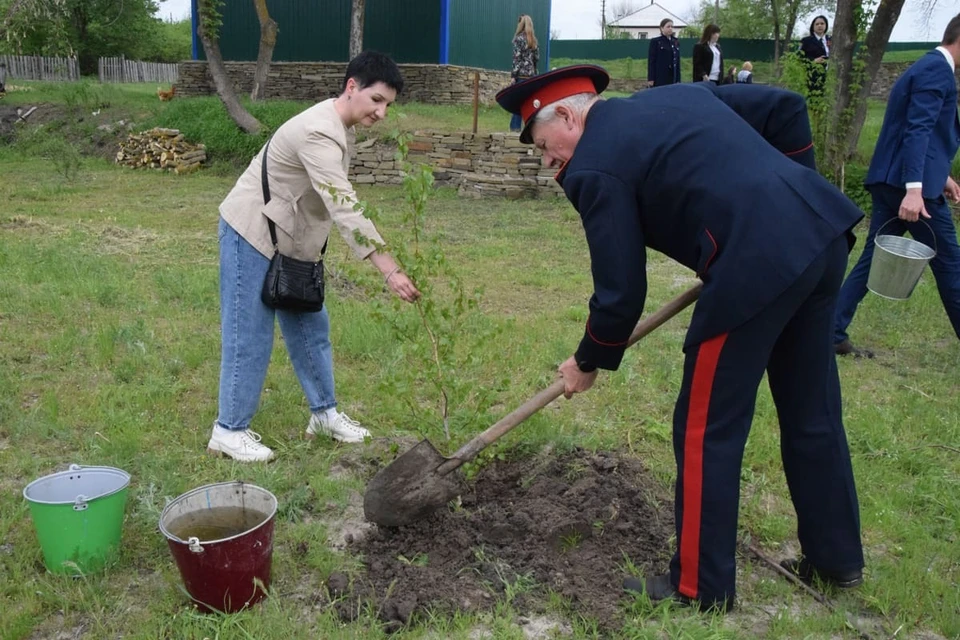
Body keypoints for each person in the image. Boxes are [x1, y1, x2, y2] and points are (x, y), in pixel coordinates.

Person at [496, 65, 865, 612]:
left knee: (704, 429)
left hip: (756, 266)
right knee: (811, 410)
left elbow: (620, 293)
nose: (548, 161)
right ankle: (836, 560)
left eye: (545, 146)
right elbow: (785, 108)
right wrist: (789, 200)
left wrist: (587, 361)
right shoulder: (674, 97)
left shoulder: (593, 167)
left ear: (570, 117)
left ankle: (700, 587)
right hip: (819, 233)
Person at [209, 51, 421, 462]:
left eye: (388, 106)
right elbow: (343, 204)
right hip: (251, 231)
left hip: (292, 241)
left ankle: (324, 415)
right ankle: (228, 430)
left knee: (310, 327)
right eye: (377, 100)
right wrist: (389, 269)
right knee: (249, 332)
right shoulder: (318, 131)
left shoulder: (339, 127)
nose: (381, 112)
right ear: (352, 87)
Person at [833, 17, 960, 357]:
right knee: (950, 262)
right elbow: (916, 131)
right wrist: (916, 189)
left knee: (873, 258)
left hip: (894, 182)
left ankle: (831, 331)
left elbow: (924, 132)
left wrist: (941, 174)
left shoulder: (927, 67)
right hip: (908, 189)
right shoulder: (937, 70)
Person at [510, 14, 539, 132]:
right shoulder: (534, 40)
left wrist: (513, 76)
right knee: (528, 102)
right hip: (531, 76)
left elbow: (517, 58)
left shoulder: (519, 39)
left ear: (520, 25)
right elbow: (536, 58)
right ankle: (529, 128)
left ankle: (515, 128)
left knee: (518, 102)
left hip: (521, 75)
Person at [800, 15, 831, 95]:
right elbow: (799, 58)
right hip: (813, 78)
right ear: (813, 26)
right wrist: (813, 61)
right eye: (817, 24)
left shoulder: (832, 40)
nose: (819, 26)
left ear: (826, 25)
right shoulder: (806, 41)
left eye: (822, 23)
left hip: (830, 76)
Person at [647, 18, 681, 88]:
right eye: (668, 26)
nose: (670, 28)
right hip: (660, 77)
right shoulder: (656, 41)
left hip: (673, 76)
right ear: (662, 28)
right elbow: (651, 61)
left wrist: (678, 79)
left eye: (672, 26)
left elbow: (677, 61)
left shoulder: (675, 41)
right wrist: (651, 78)